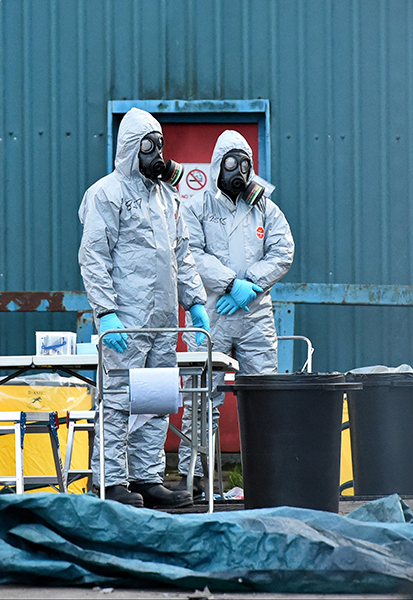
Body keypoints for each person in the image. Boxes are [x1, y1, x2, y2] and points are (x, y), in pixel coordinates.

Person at [78, 107, 210, 509]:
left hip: (165, 320)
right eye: (148, 146)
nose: (156, 154)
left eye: (159, 145)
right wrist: (106, 312)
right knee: (117, 399)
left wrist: (197, 300)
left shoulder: (169, 199)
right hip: (126, 319)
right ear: (131, 148)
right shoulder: (106, 194)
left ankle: (147, 477)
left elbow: (182, 256)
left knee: (156, 401)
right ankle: (110, 479)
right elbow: (93, 256)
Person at [175, 130, 295, 496]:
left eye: (245, 163)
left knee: (263, 396)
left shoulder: (266, 209)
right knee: (200, 396)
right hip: (211, 313)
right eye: (231, 163)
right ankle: (192, 476)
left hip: (255, 315)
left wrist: (250, 287)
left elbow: (283, 252)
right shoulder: (197, 208)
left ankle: (267, 473)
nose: (238, 170)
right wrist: (230, 285)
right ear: (217, 165)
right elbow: (191, 253)